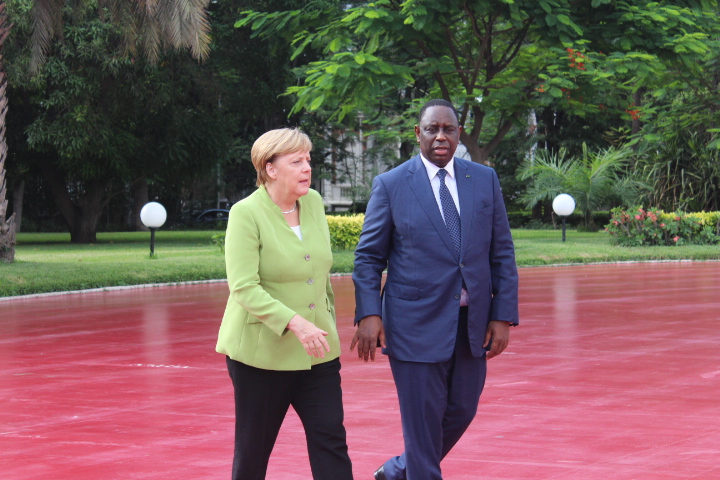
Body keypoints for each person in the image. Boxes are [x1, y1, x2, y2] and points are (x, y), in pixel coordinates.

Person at [351, 99, 519, 480]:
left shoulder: (484, 180)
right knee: (422, 423)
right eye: (432, 129)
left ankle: (398, 469)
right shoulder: (392, 185)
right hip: (412, 323)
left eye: (449, 129)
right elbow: (367, 258)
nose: (441, 136)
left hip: (470, 323)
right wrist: (369, 315)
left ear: (459, 134)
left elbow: (502, 253)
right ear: (418, 134)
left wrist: (502, 315)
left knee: (463, 408)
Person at [216, 128, 353, 480]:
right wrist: (296, 322)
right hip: (262, 356)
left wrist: (320, 323)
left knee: (331, 440)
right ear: (270, 168)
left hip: (318, 351)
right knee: (253, 452)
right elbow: (244, 287)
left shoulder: (315, 203)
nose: (307, 167)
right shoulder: (246, 213)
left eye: (308, 159)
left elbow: (318, 274)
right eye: (296, 161)